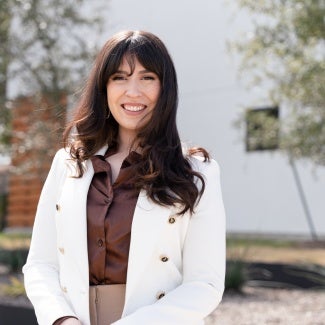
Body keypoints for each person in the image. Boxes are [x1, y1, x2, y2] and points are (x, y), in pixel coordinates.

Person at [23, 30, 226, 325]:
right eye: (119, 77)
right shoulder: (68, 164)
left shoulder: (196, 172)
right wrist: (61, 318)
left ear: (165, 88)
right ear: (103, 88)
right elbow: (40, 264)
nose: (133, 91)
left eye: (147, 78)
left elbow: (205, 284)